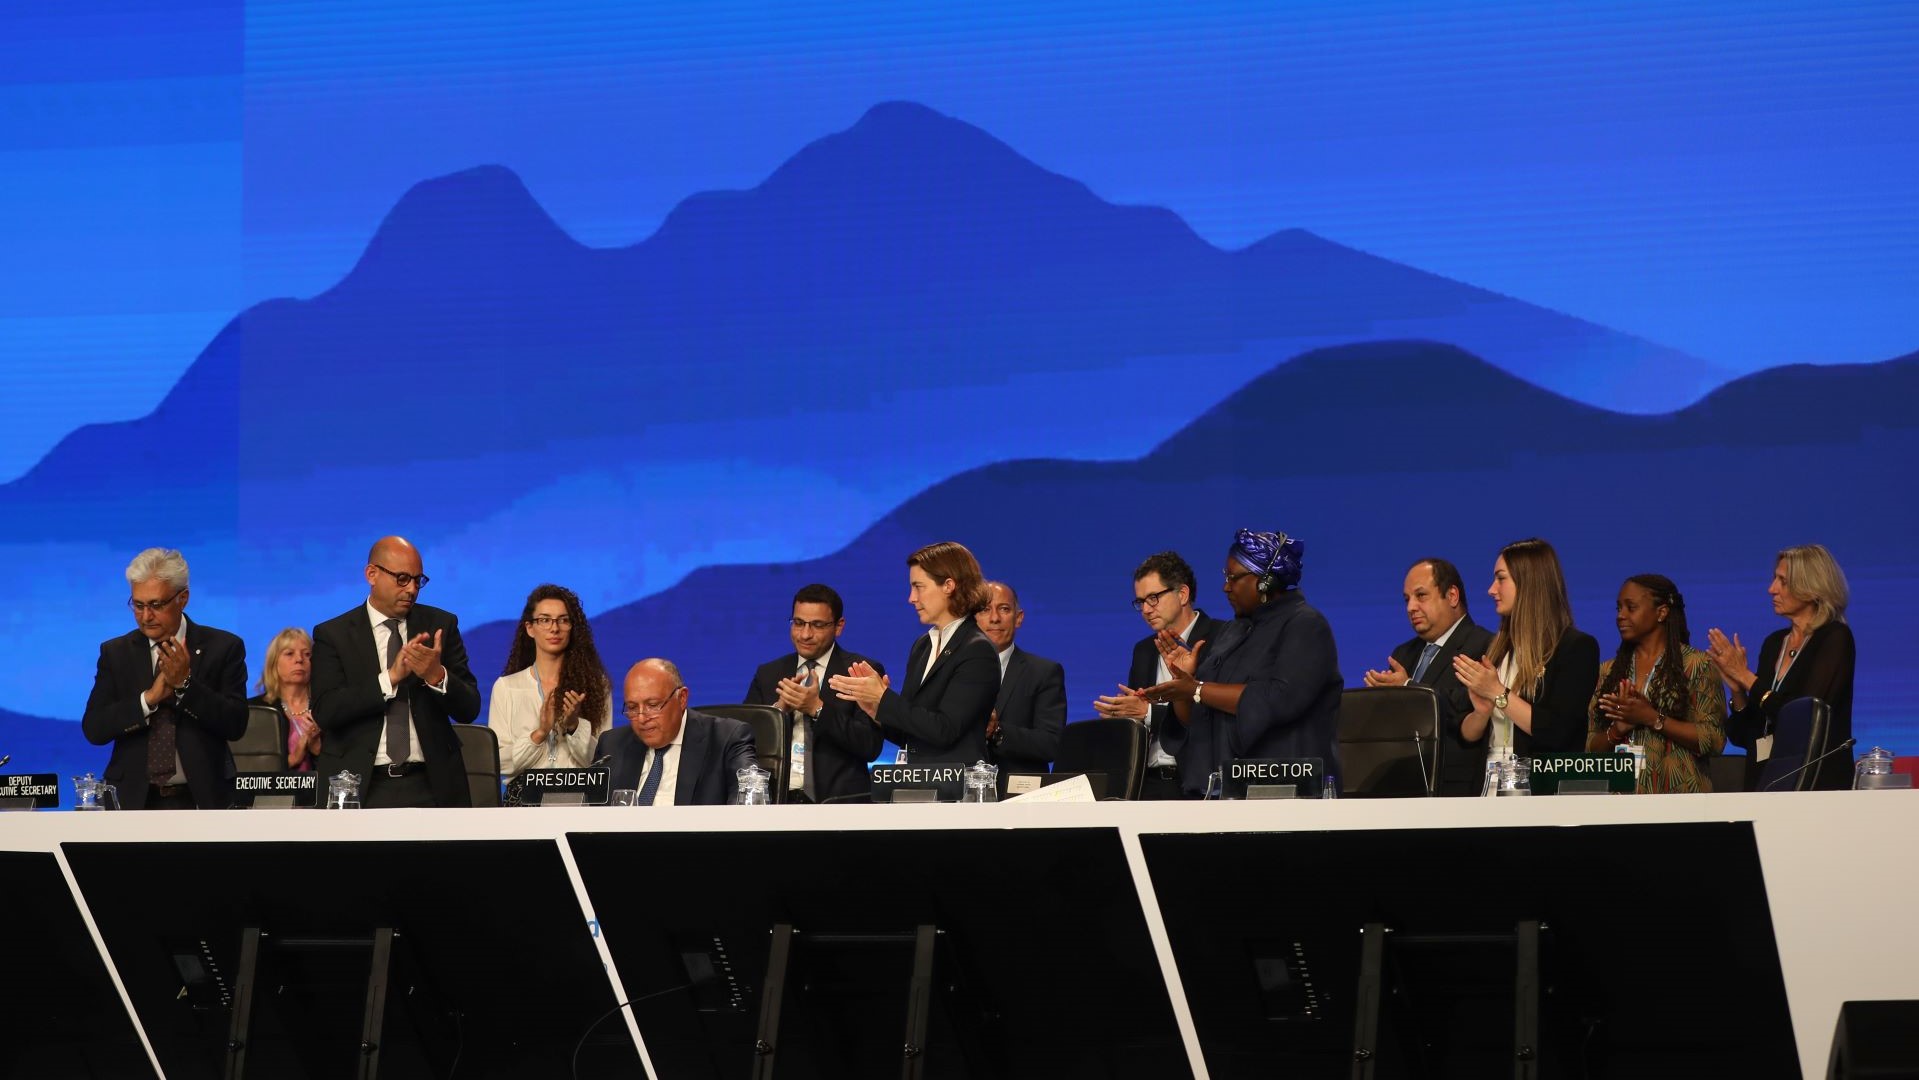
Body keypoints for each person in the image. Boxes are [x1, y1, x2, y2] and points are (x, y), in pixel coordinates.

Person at [1140, 529, 1342, 797]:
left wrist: (1198, 689)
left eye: (1233, 578)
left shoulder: (1305, 625)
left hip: (1286, 791)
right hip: (1223, 789)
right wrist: (1184, 687)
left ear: (1265, 581)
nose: (1226, 587)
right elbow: (1199, 717)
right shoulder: (1233, 632)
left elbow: (1278, 698)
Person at [311, 536, 482, 808]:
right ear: (372, 574)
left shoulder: (440, 625)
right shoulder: (334, 634)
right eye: (402, 578)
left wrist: (436, 675)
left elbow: (470, 708)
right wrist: (388, 679)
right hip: (359, 786)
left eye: (418, 580)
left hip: (432, 784)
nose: (412, 589)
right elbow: (326, 710)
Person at [80, 548, 249, 809]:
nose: (146, 616)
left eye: (156, 605)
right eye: (138, 605)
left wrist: (185, 685)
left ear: (183, 598)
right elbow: (95, 728)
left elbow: (235, 724)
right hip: (133, 800)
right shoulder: (116, 653)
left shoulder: (223, 647)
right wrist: (148, 700)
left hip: (203, 799)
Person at [830, 541, 999, 765]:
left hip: (956, 790)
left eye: (919, 587)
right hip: (917, 787)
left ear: (948, 586)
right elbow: (912, 733)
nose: (911, 598)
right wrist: (876, 711)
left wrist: (883, 698)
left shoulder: (977, 650)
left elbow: (945, 730)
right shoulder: (923, 645)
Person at [1707, 544, 1856, 791]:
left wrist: (1745, 676)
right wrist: (1737, 689)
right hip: (1766, 782)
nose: (1771, 589)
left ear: (1811, 588)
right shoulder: (1774, 643)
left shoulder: (1834, 638)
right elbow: (1746, 737)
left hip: (1815, 783)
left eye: (1782, 581)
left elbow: (1803, 716)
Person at [1451, 538, 1600, 783]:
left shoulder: (1575, 648)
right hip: (1488, 793)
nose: (1491, 590)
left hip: (1543, 796)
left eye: (1501, 579)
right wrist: (1481, 713)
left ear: (1529, 583)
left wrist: (1498, 693)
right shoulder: (1495, 649)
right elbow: (1466, 735)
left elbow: (1557, 732)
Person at [1094, 552, 1224, 800]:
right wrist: (1125, 715)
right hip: (1148, 784)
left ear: (1182, 594)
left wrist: (1148, 713)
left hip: (1201, 783)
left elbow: (1216, 715)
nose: (1145, 609)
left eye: (1153, 598)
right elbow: (1139, 713)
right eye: (1140, 602)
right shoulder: (1143, 650)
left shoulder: (1221, 638)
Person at [1361, 558, 1496, 796]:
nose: (1410, 607)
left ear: (1452, 596)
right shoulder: (1403, 654)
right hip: (1402, 787)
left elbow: (1463, 704)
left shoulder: (1485, 645)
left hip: (1455, 791)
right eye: (1407, 599)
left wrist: (1407, 687)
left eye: (1420, 596)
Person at [744, 584, 886, 802]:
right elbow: (744, 742)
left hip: (839, 805)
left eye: (817, 625)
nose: (805, 634)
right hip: (776, 802)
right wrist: (778, 711)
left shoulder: (860, 671)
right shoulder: (768, 673)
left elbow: (870, 746)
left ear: (839, 626)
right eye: (798, 623)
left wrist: (817, 709)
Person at [1587, 575, 1727, 792]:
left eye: (1630, 607)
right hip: (1619, 805)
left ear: (1661, 612)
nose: (1620, 616)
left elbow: (1714, 740)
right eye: (1618, 608)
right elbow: (1589, 748)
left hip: (1680, 803)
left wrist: (1652, 718)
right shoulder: (1607, 672)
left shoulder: (1696, 665)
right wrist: (1617, 730)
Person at [489, 585, 613, 780]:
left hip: (578, 802)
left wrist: (573, 727)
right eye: (545, 620)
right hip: (524, 804)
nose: (554, 628)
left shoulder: (596, 685)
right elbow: (496, 761)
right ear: (530, 628)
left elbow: (603, 761)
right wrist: (539, 734)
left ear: (573, 628)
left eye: (563, 620)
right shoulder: (506, 687)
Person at [596, 659, 758, 805]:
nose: (641, 718)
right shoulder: (612, 745)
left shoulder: (727, 739)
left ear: (682, 699)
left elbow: (748, 807)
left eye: (652, 705)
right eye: (632, 708)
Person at [976, 581, 1066, 776]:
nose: (994, 618)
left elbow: (1052, 744)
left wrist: (997, 731)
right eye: (984, 610)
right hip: (959, 793)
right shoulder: (951, 671)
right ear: (971, 619)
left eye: (1004, 609)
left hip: (1019, 796)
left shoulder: (1044, 672)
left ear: (1018, 618)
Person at [248, 627, 322, 772]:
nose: (299, 659)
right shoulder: (255, 710)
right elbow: (248, 770)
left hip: (320, 792)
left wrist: (317, 750)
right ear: (274, 663)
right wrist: (293, 758)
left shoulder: (327, 707)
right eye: (289, 654)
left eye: (307, 654)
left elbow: (343, 770)